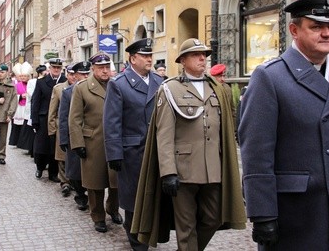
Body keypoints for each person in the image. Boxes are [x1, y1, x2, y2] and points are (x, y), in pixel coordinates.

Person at [239, 0, 329, 250]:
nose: (327, 33)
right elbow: (256, 153)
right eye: (316, 27)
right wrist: (263, 214)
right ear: (294, 30)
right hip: (299, 213)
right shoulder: (270, 78)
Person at [132, 38, 246, 250]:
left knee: (213, 217)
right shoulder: (170, 89)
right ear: (183, 60)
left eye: (204, 54)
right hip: (182, 170)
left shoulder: (216, 88)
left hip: (213, 168)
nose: (203, 58)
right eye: (196, 54)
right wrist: (168, 172)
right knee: (186, 227)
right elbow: (164, 134)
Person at [103, 38, 163, 250]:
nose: (149, 59)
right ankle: (137, 242)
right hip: (132, 153)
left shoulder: (159, 82)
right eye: (145, 56)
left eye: (150, 55)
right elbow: (111, 122)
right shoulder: (118, 84)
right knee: (133, 201)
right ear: (132, 59)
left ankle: (150, 233)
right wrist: (114, 154)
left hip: (155, 150)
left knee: (153, 196)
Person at [69, 52, 121, 233]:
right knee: (95, 183)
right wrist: (78, 143)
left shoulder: (117, 85)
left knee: (116, 181)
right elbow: (74, 118)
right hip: (92, 142)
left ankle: (113, 209)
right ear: (93, 69)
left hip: (114, 140)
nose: (105, 71)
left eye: (107, 67)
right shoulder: (82, 88)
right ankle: (98, 216)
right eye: (101, 68)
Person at [59, 61, 91, 211]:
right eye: (82, 74)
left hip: (92, 136)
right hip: (74, 136)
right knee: (75, 170)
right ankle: (80, 194)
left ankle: (91, 193)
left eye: (87, 73)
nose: (85, 76)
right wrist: (64, 139)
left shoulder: (94, 89)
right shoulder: (68, 92)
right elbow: (64, 117)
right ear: (75, 75)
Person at [31, 58, 66, 181]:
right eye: (54, 67)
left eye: (58, 68)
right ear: (50, 68)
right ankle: (39, 167)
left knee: (55, 148)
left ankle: (53, 173)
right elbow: (35, 102)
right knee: (41, 147)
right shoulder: (41, 82)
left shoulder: (65, 81)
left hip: (58, 118)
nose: (56, 70)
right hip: (43, 118)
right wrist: (34, 120)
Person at [48, 64, 76, 197]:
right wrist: (52, 130)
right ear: (67, 75)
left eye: (75, 74)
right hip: (62, 127)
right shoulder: (59, 89)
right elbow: (52, 111)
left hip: (77, 127)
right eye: (70, 74)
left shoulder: (82, 87)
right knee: (62, 156)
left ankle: (75, 181)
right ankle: (64, 183)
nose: (73, 77)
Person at [17, 64, 47, 156]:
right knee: (31, 129)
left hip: (41, 107)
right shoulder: (33, 82)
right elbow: (30, 93)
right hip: (31, 106)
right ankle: (31, 149)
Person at [9, 62, 33, 147]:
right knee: (17, 126)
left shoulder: (31, 83)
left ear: (28, 76)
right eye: (21, 76)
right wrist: (21, 96)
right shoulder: (16, 85)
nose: (23, 78)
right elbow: (13, 96)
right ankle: (16, 141)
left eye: (25, 76)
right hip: (20, 107)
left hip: (27, 107)